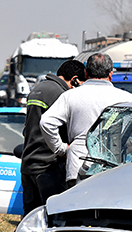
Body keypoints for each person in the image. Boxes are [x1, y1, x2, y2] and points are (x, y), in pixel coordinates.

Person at [40, 53, 132, 188]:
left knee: (75, 208)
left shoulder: (70, 96)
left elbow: (46, 122)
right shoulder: (128, 99)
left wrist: (61, 149)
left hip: (77, 168)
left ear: (86, 73)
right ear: (111, 74)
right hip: (113, 170)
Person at [21, 59, 86, 214]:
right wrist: (65, 148)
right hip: (49, 167)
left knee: (30, 218)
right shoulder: (61, 94)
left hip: (28, 165)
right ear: (75, 80)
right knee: (53, 217)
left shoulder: (38, 88)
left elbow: (28, 129)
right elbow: (58, 129)